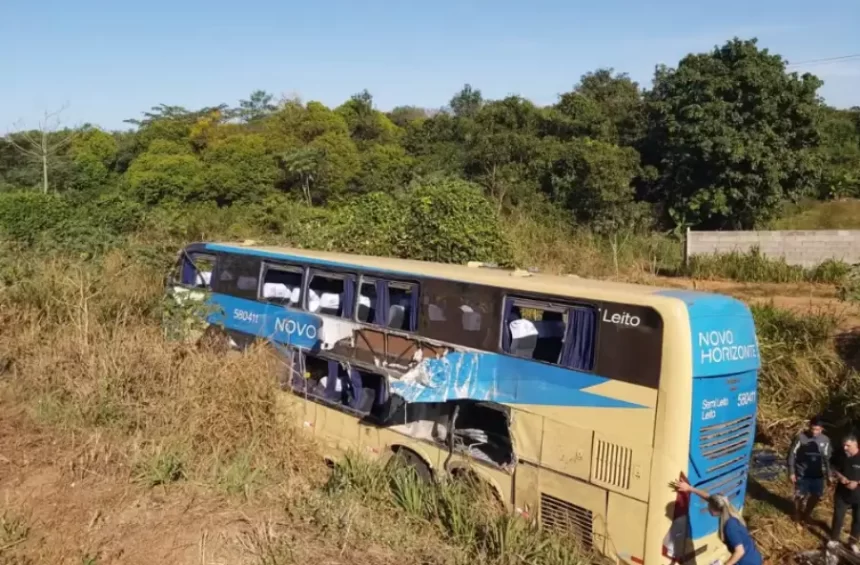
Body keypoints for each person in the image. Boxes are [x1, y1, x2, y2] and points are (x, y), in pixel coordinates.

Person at [671, 480, 763, 565]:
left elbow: (740, 551)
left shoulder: (730, 527)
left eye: (709, 506)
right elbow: (708, 497)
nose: (708, 508)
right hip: (753, 557)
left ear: (715, 510)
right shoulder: (727, 508)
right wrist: (690, 488)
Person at [787, 416, 832, 530]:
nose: (814, 432)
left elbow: (827, 459)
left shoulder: (825, 440)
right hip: (802, 473)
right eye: (812, 429)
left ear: (821, 429)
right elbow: (792, 454)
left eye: (817, 429)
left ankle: (807, 515)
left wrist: (829, 475)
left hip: (817, 474)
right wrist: (792, 471)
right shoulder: (801, 438)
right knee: (800, 495)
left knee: (816, 496)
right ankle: (797, 516)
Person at [828, 434, 860, 554]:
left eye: (848, 445)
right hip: (842, 494)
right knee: (838, 516)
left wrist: (856, 482)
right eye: (844, 445)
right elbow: (834, 469)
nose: (845, 448)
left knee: (858, 520)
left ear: (856, 444)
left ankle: (852, 542)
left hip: (858, 496)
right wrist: (840, 477)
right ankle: (834, 539)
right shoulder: (841, 456)